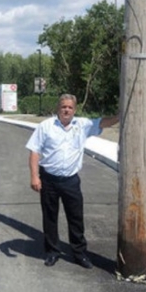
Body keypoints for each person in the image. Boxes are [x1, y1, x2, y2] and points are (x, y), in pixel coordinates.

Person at [26, 94, 119, 268]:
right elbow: (34, 152)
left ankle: (79, 254)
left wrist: (119, 117)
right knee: (50, 218)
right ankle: (52, 252)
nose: (66, 110)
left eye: (69, 107)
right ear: (58, 108)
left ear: (74, 110)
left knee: (76, 218)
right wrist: (34, 176)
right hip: (49, 180)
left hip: (71, 181)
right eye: (63, 107)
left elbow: (102, 122)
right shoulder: (45, 126)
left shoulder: (82, 125)